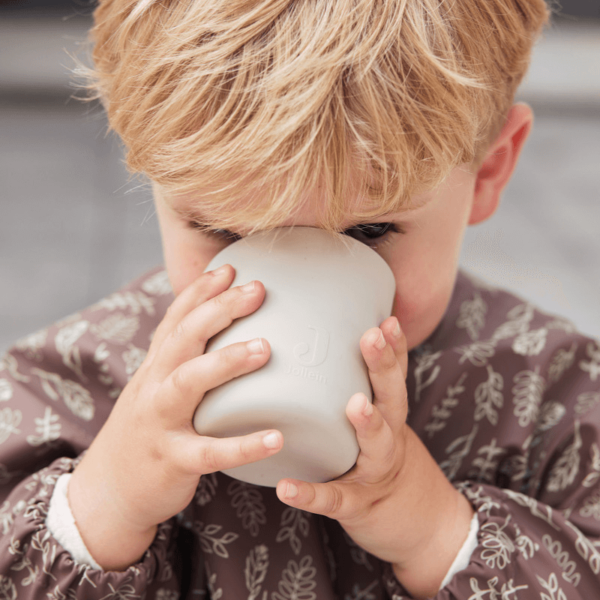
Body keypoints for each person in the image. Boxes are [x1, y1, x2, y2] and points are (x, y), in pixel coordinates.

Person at [1, 0, 599, 598]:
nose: (287, 284)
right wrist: (106, 501)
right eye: (228, 233)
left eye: (368, 232)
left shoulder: (552, 396)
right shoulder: (70, 382)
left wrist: (437, 533)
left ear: (488, 172)